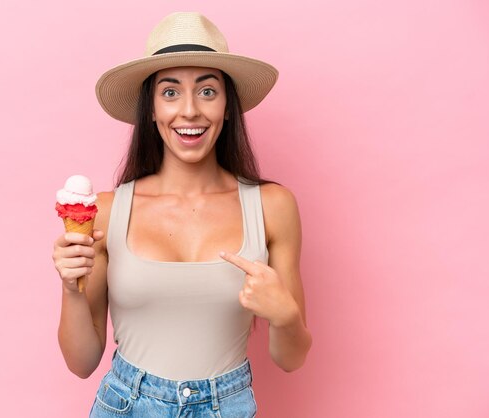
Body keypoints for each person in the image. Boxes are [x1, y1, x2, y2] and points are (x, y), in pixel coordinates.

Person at [52, 12, 312, 417]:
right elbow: (81, 362)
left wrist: (285, 314)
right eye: (170, 93)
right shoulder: (106, 210)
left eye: (207, 92)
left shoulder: (272, 206)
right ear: (151, 109)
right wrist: (71, 288)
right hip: (126, 405)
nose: (189, 111)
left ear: (227, 107)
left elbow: (291, 358)